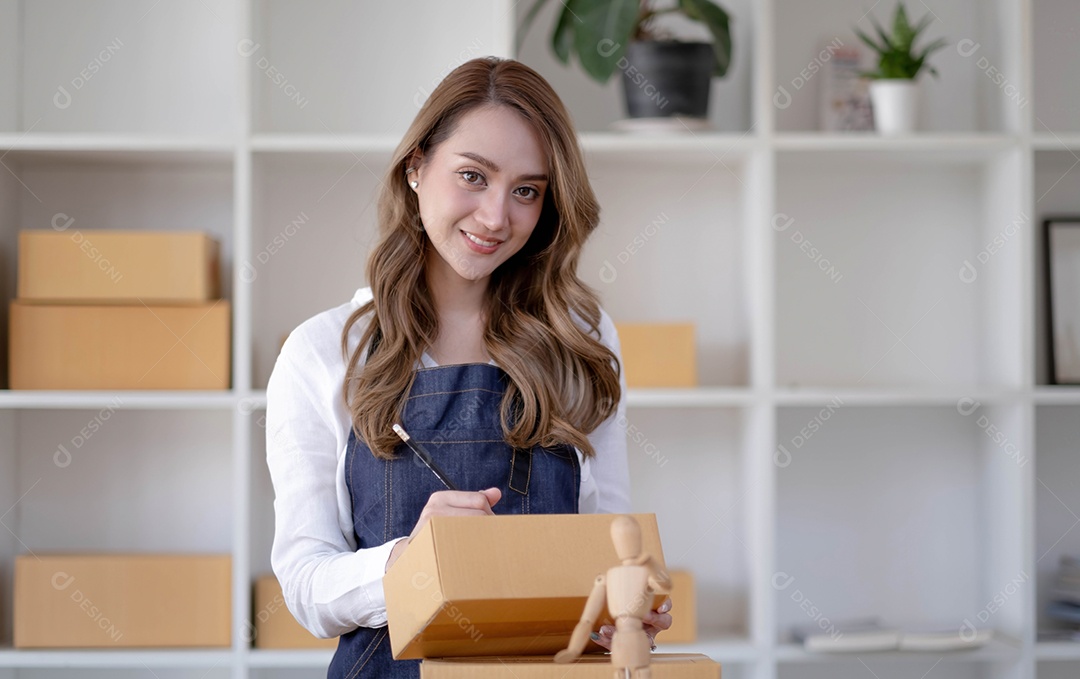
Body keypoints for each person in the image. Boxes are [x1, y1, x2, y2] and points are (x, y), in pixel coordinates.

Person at [265, 56, 672, 679]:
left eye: (527, 191)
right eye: (473, 176)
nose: (495, 218)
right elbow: (305, 587)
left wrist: (623, 606)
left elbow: (607, 541)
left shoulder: (581, 341)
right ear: (416, 167)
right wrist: (409, 560)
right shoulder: (323, 352)